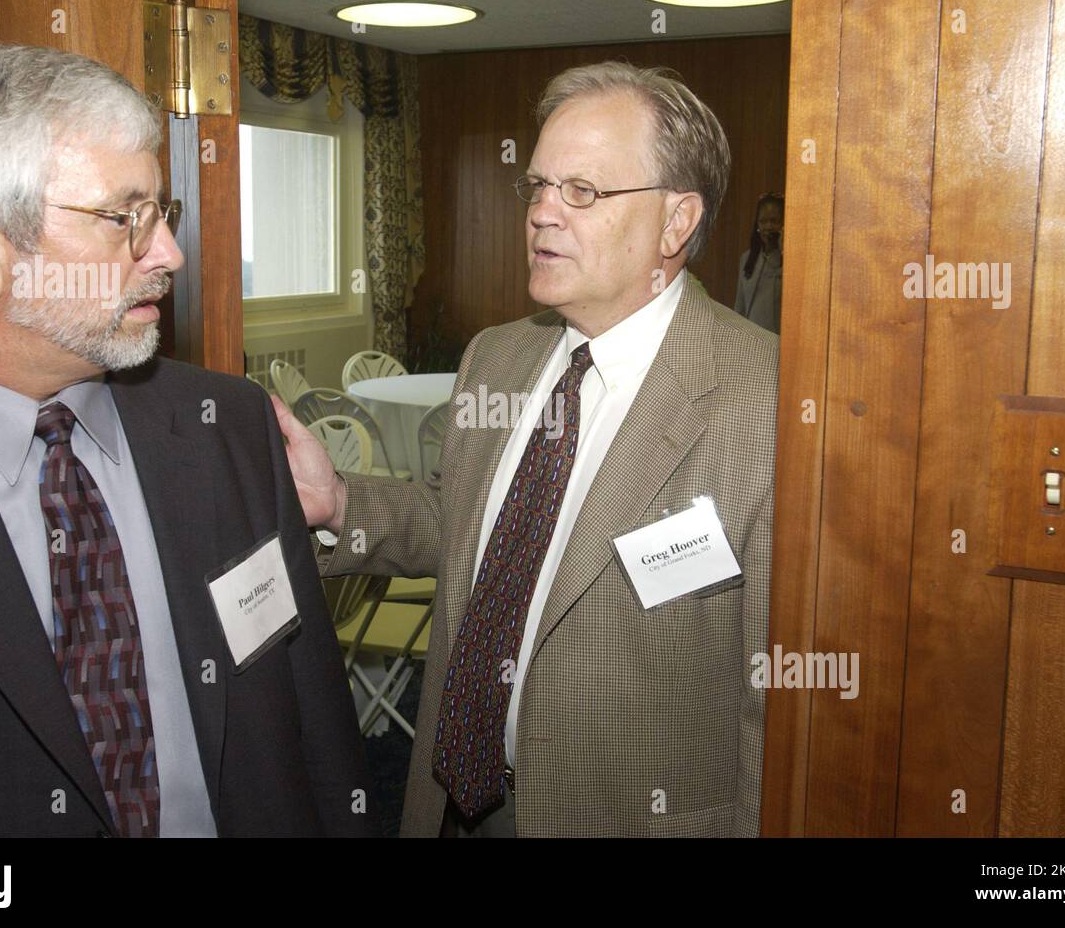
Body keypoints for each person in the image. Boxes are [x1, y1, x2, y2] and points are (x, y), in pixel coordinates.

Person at [0, 44, 374, 837]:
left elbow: (315, 724)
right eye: (122, 218)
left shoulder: (231, 426)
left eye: (162, 214)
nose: (167, 254)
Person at [276, 61, 777, 837]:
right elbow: (471, 533)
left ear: (676, 223)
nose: (543, 212)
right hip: (452, 807)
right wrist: (342, 501)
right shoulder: (498, 356)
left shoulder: (767, 398)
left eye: (582, 190)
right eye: (537, 187)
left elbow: (775, 704)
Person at [733, 192, 784, 333]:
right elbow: (739, 306)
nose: (768, 226)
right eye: (763, 221)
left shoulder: (789, 262)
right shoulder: (747, 259)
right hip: (751, 341)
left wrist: (781, 251)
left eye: (774, 221)